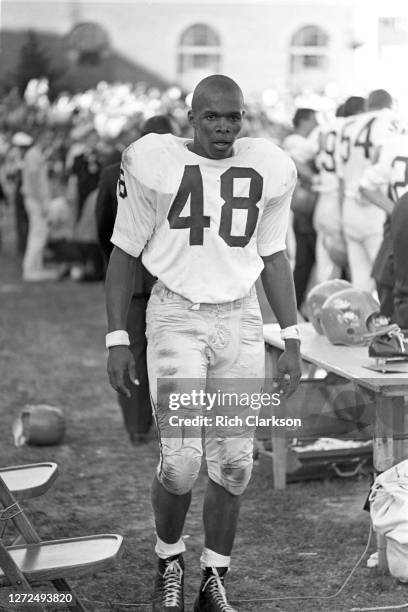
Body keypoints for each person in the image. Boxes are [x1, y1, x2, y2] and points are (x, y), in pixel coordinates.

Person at [105, 75, 302, 611]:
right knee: (182, 462)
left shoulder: (270, 166)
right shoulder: (154, 162)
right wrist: (117, 335)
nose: (224, 126)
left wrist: (291, 336)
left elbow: (274, 256)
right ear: (192, 117)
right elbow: (123, 253)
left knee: (236, 463)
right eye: (213, 116)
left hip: (239, 317)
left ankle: (215, 579)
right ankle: (169, 558)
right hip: (175, 313)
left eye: (233, 116)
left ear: (245, 119)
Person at [95, 116, 173, 444]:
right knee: (165, 353)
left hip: (135, 275)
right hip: (161, 276)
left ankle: (138, 426)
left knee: (137, 352)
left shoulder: (115, 172)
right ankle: (155, 423)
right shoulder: (176, 173)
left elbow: (102, 227)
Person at [338, 89, 404, 293]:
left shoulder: (348, 124)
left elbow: (341, 177)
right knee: (390, 278)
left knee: (361, 279)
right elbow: (381, 154)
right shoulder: (389, 120)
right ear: (389, 105)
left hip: (349, 204)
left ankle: (366, 324)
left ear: (368, 105)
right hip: (375, 204)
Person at [360, 130, 408, 318]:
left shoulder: (394, 142)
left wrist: (398, 211)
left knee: (388, 283)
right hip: (400, 221)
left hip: (399, 227)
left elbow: (365, 185)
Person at [283, 108, 318, 311]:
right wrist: (314, 177)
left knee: (304, 259)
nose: (316, 123)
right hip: (298, 207)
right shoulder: (295, 141)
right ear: (304, 120)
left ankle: (296, 305)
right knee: (301, 259)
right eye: (314, 119)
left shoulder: (294, 141)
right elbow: (294, 161)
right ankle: (293, 306)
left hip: (300, 207)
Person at [18, 130, 59, 281]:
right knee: (37, 235)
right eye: (48, 138)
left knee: (39, 234)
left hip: (37, 200)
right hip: (36, 201)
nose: (50, 141)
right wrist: (42, 203)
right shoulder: (33, 154)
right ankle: (30, 270)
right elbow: (34, 181)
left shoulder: (36, 154)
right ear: (41, 138)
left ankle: (37, 267)